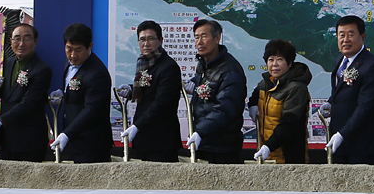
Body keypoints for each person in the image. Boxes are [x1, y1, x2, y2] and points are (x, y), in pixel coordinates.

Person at [0, 22, 53, 162]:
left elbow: (29, 103)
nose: (21, 43)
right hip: (7, 138)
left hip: (28, 140)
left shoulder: (42, 69)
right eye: (17, 38)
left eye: (26, 38)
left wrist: (1, 120)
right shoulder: (9, 63)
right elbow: (10, 94)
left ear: (35, 41)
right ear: (11, 41)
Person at [321, 15, 374, 165]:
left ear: (362, 37)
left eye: (350, 35)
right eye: (341, 35)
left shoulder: (372, 65)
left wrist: (342, 134)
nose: (345, 40)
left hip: (361, 146)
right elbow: (341, 90)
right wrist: (330, 103)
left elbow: (365, 106)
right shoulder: (340, 59)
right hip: (338, 143)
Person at [118, 20, 183, 163]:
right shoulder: (144, 63)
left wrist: (137, 126)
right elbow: (147, 90)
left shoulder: (169, 67)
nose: (146, 44)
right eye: (142, 39)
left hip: (161, 140)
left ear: (160, 40)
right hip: (144, 139)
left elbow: (162, 102)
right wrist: (131, 90)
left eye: (151, 39)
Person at [49, 22, 113, 164]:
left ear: (90, 46)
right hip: (73, 141)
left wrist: (67, 134)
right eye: (69, 49)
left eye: (78, 50)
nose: (73, 55)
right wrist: (62, 92)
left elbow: (91, 110)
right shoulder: (70, 62)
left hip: (92, 143)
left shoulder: (97, 73)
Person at [186, 19, 247, 164]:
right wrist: (194, 82)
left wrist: (201, 131)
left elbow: (225, 109)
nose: (199, 42)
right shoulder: (204, 64)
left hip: (223, 147)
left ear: (217, 38)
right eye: (196, 37)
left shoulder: (230, 70)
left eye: (204, 36)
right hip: (205, 142)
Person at [248, 38, 311, 164]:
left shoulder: (297, 88)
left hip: (288, 157)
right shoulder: (267, 82)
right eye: (271, 59)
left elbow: (289, 123)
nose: (274, 64)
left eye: (280, 59)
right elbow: (255, 95)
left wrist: (269, 146)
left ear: (290, 63)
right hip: (267, 154)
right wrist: (252, 105)